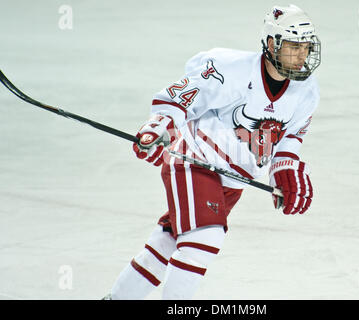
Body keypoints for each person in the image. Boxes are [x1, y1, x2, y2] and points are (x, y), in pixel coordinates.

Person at [108, 4, 321, 299]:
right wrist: (160, 128)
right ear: (272, 44)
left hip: (235, 181)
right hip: (194, 161)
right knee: (204, 237)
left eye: (307, 47)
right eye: (295, 46)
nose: (302, 55)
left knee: (168, 242)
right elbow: (182, 96)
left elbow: (291, 137)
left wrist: (284, 167)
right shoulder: (229, 68)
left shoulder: (306, 91)